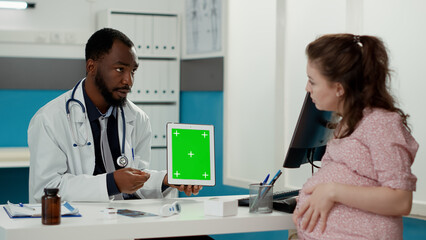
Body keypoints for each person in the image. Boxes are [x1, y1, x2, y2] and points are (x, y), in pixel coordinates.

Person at [28, 28, 201, 203]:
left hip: (125, 221)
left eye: (133, 71)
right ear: (91, 67)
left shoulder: (137, 118)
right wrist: (111, 183)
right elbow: (46, 188)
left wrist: (164, 180)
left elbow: (137, 179)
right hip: (77, 224)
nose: (129, 80)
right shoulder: (49, 119)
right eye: (120, 69)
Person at [292, 34, 418, 239]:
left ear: (339, 87)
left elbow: (401, 200)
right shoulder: (347, 124)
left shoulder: (381, 123)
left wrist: (331, 191)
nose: (307, 89)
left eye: (312, 81)